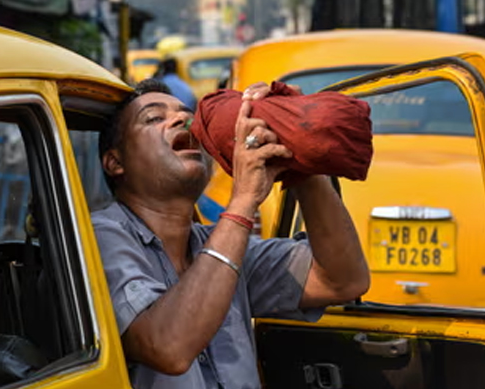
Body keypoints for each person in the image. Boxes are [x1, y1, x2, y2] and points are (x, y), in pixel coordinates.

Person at [93, 79, 370, 388]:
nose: (181, 119)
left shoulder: (222, 245)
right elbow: (168, 347)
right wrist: (243, 200)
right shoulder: (100, 238)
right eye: (154, 118)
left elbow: (342, 280)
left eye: (187, 114)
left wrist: (298, 152)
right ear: (115, 162)